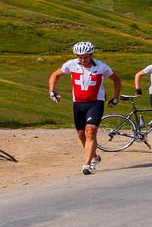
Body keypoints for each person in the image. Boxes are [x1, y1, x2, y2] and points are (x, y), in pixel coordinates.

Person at [47, 41, 122, 174]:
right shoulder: (71, 64)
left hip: (95, 102)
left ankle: (87, 164)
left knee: (90, 131)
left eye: (86, 57)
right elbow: (55, 75)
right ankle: (94, 157)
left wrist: (115, 97)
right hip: (78, 103)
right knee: (81, 134)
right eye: (80, 57)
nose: (83, 60)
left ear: (91, 55)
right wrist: (52, 91)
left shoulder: (101, 66)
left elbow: (116, 79)